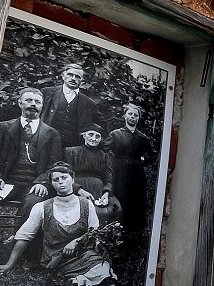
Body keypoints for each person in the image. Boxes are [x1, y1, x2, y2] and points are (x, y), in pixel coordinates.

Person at [0, 87, 63, 267]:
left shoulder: (51, 134)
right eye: (28, 101)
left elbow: (54, 165)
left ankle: (25, 256)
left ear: (42, 107)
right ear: (20, 103)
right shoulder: (3, 127)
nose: (32, 105)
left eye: (37, 102)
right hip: (5, 182)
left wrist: (43, 181)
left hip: (33, 185)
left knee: (35, 205)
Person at [0, 163, 118, 286]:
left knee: (99, 263)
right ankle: (98, 281)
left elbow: (95, 232)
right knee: (91, 268)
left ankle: (107, 283)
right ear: (52, 184)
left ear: (73, 180)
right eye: (56, 180)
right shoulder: (42, 207)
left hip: (82, 252)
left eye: (64, 178)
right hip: (54, 257)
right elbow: (25, 236)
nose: (61, 182)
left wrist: (77, 241)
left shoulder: (86, 204)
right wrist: (9, 264)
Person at [104, 103, 155, 235]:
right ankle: (118, 230)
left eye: (135, 115)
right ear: (125, 116)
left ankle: (135, 232)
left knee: (136, 200)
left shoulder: (143, 138)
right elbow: (105, 150)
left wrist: (143, 161)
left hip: (137, 172)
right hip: (120, 171)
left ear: (138, 118)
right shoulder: (115, 134)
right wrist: (112, 161)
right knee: (122, 197)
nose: (132, 117)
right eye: (130, 114)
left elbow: (153, 154)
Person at [60, 124, 122, 226]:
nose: (93, 138)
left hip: (98, 190)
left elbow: (109, 179)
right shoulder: (70, 152)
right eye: (90, 135)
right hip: (75, 190)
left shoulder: (105, 156)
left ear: (101, 139)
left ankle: (102, 238)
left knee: (116, 208)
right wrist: (79, 190)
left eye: (97, 136)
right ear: (84, 135)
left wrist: (106, 193)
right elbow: (65, 175)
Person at [40, 62, 99, 148]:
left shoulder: (89, 103)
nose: (73, 78)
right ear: (63, 76)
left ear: (82, 81)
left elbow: (96, 126)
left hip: (72, 148)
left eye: (78, 77)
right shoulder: (47, 93)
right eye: (70, 75)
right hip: (45, 143)